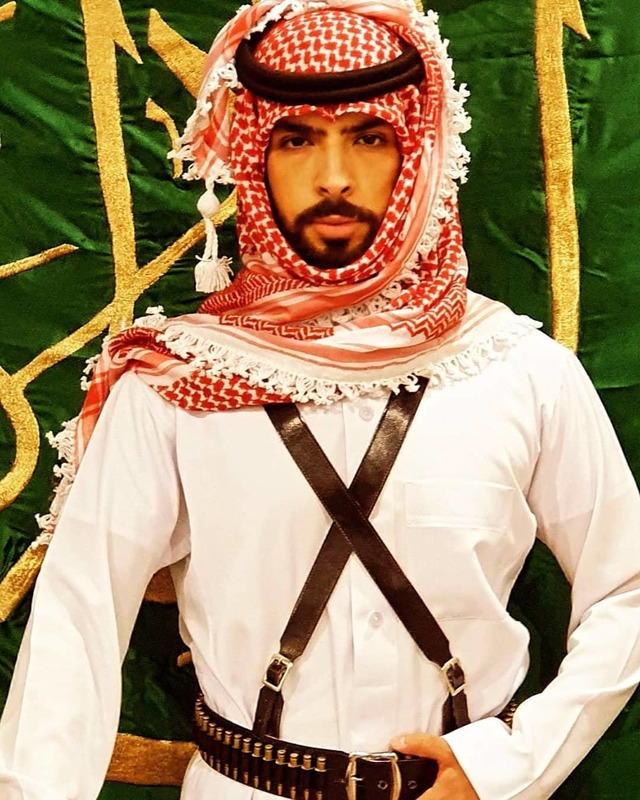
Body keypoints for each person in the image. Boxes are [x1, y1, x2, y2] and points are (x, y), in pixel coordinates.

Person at [1, 0, 640, 798]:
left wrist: (509, 768)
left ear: (419, 149)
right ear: (254, 156)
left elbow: (628, 589)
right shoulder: (173, 384)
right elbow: (78, 623)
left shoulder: (520, 370)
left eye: (368, 138)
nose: (333, 177)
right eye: (297, 139)